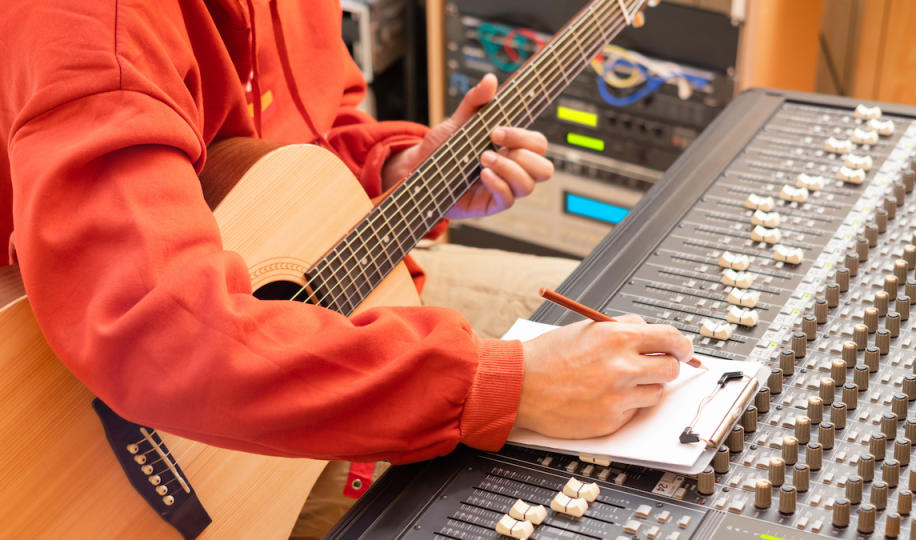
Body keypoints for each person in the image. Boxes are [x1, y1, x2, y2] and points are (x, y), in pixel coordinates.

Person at [1, 0, 692, 535]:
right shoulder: (90, 20)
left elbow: (294, 139)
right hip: (152, 422)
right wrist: (507, 385)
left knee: (638, 306)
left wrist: (402, 166)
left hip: (312, 325)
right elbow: (158, 334)